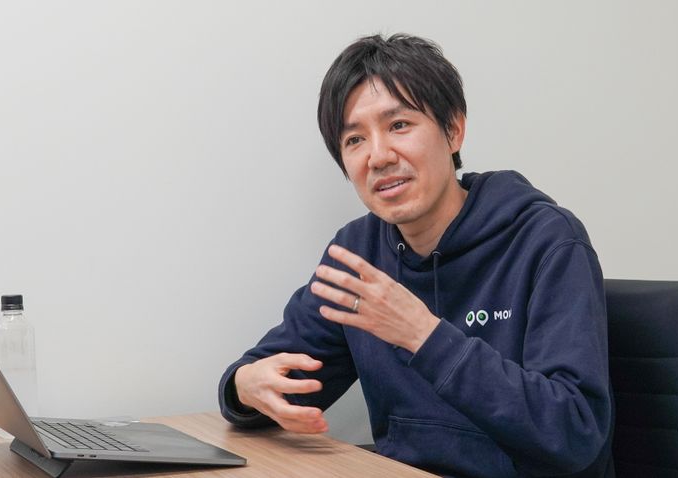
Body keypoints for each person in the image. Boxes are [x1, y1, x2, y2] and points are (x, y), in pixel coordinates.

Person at [218, 33, 614, 478]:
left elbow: (574, 432)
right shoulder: (359, 253)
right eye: (355, 140)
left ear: (453, 130)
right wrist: (243, 386)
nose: (378, 156)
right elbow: (280, 376)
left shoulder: (546, 241)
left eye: (399, 125)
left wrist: (423, 335)